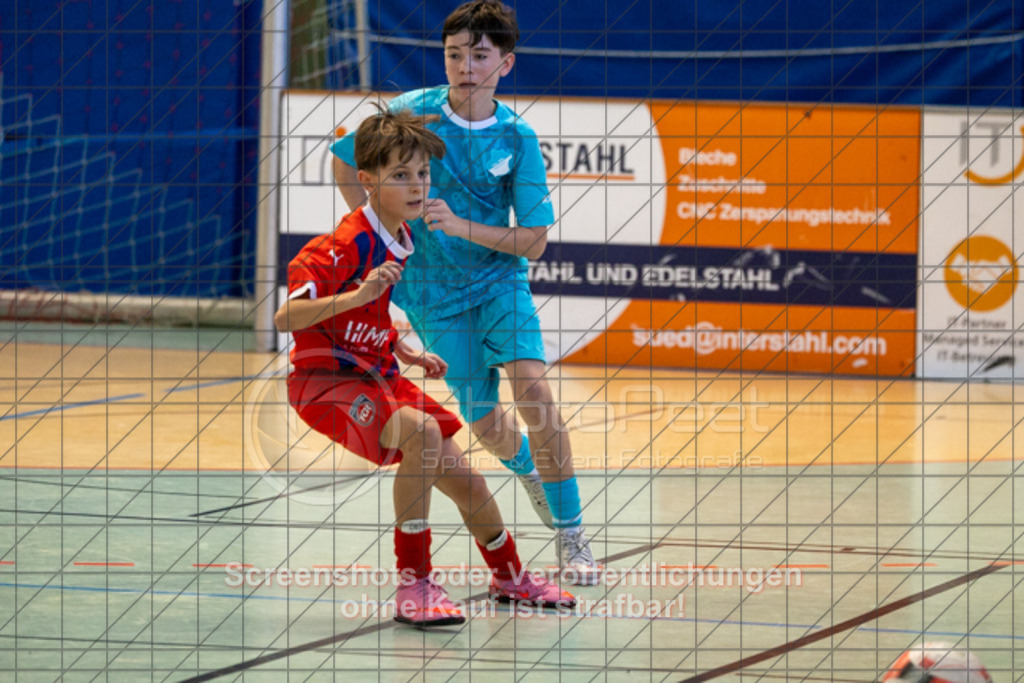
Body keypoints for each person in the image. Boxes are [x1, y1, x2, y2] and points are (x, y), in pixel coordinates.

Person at [330, 0, 600, 585]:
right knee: (486, 424)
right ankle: (527, 470)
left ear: (504, 63)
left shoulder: (517, 137)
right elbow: (342, 161)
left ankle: (572, 534)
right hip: (430, 293)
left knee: (534, 393)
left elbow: (533, 244)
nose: (465, 67)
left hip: (498, 281)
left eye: (479, 56)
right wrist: (385, 233)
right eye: (455, 54)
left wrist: (462, 227)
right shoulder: (412, 113)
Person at [275, 108, 575, 627]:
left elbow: (367, 314)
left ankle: (510, 578)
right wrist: (358, 296)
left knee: (470, 483)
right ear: (366, 181)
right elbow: (287, 315)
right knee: (420, 433)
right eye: (400, 175)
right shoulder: (342, 246)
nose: (416, 187)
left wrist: (401, 347)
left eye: (422, 174)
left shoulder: (402, 236)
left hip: (377, 374)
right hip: (324, 384)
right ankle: (413, 584)